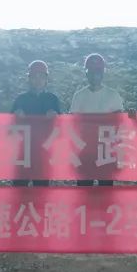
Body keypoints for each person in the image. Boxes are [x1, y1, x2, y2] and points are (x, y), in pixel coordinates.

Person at [70, 54, 125, 187]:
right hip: (85, 151)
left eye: (98, 71)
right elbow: (73, 123)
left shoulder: (113, 95)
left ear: (103, 73)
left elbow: (120, 122)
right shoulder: (79, 96)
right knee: (84, 189)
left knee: (106, 190)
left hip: (106, 151)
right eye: (91, 71)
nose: (95, 75)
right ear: (86, 73)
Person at [12, 60, 62, 187]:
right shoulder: (21, 99)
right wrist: (15, 116)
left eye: (41, 76)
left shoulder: (52, 99)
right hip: (23, 151)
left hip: (44, 151)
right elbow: (9, 127)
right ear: (29, 79)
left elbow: (62, 126)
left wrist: (56, 117)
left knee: (41, 189)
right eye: (34, 76)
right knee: (19, 188)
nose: (38, 80)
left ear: (46, 79)